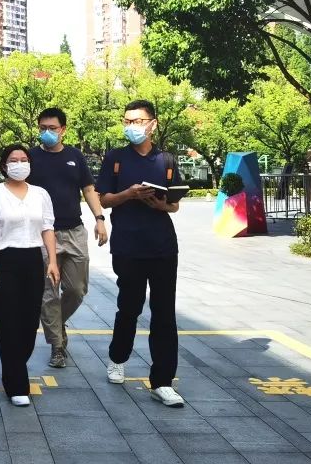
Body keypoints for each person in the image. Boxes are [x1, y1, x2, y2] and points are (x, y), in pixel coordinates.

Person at [95, 99, 184, 408]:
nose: (131, 126)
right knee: (129, 307)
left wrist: (162, 205)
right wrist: (129, 194)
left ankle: (162, 382)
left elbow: (175, 204)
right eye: (127, 121)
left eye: (137, 121)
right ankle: (118, 358)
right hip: (128, 246)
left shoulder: (167, 159)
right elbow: (104, 199)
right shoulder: (115, 158)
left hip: (163, 247)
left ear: (152, 124)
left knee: (164, 313)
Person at [28, 107, 108, 369]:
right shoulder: (31, 157)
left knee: (76, 289)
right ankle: (57, 346)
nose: (47, 132)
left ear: (63, 129)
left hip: (74, 231)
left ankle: (56, 322)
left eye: (52, 128)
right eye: (42, 128)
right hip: (43, 234)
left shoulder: (75, 156)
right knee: (48, 293)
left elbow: (88, 189)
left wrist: (99, 219)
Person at [0, 145, 59, 406]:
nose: (19, 163)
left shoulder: (40, 194)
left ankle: (14, 366)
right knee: (8, 321)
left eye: (24, 159)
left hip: (33, 259)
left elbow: (47, 228)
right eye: (13, 160)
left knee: (29, 321)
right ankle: (16, 384)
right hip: (5, 260)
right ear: (4, 165)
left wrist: (52, 261)